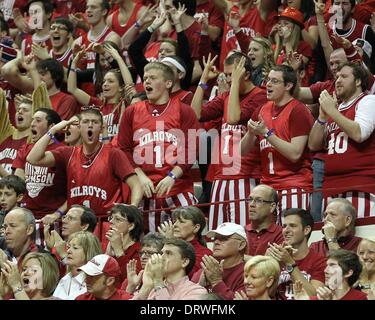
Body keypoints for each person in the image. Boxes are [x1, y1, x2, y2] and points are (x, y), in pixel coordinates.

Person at [118, 62, 199, 233]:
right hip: (146, 191)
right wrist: (139, 176)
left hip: (178, 187)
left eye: (153, 78)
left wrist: (172, 176)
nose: (147, 82)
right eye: (145, 78)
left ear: (168, 83)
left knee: (184, 243)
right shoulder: (131, 112)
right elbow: (124, 149)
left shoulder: (184, 111)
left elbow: (192, 149)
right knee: (149, 247)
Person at [192, 52, 267, 230]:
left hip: (245, 176)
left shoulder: (260, 97)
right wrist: (203, 80)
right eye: (225, 75)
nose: (226, 79)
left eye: (230, 74)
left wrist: (233, 85)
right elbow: (195, 114)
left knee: (242, 234)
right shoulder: (226, 97)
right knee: (217, 235)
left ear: (245, 74)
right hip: (220, 176)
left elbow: (234, 117)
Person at [26, 108, 143, 220]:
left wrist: (132, 207)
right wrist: (53, 130)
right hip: (76, 225)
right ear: (79, 127)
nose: (90, 125)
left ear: (101, 128)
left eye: (95, 122)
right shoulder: (67, 153)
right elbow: (33, 158)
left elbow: (136, 184)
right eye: (86, 122)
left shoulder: (114, 154)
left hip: (104, 223)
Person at [240, 64, 314, 222]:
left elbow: (295, 154)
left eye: (274, 81)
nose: (268, 84)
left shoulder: (298, 110)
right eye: (268, 80)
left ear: (288, 85)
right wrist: (251, 133)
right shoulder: (261, 110)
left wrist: (266, 133)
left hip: (293, 185)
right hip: (267, 187)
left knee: (290, 239)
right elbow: (241, 151)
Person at [308, 62, 375, 218]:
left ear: (358, 81)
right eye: (336, 77)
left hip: (360, 186)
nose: (337, 80)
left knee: (362, 240)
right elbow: (313, 145)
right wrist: (323, 116)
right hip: (331, 186)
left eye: (344, 76)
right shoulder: (335, 109)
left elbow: (359, 134)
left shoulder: (368, 101)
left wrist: (332, 110)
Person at [12, 108, 67, 225]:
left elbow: (72, 191)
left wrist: (57, 214)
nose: (32, 123)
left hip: (53, 218)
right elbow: (17, 186)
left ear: (52, 126)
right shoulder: (25, 149)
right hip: (26, 216)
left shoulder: (63, 151)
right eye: (32, 120)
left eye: (38, 120)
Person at [68, 43, 133, 136]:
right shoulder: (98, 104)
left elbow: (129, 84)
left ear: (121, 87)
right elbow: (72, 89)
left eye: (110, 81)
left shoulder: (126, 103)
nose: (105, 84)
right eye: (104, 81)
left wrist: (118, 58)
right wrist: (74, 62)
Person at [267, 208, 326, 300]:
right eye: (284, 226)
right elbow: (266, 294)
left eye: (293, 226)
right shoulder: (277, 257)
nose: (286, 230)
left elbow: (313, 296)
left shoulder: (319, 261)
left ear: (306, 230)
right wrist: (270, 264)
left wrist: (289, 263)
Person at [133, 238, 207, 300]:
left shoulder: (196, 291)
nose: (162, 257)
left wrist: (158, 281)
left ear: (184, 262)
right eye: (162, 253)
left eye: (168, 253)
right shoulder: (153, 289)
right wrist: (146, 287)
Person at [192, 222, 247, 300]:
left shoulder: (249, 273)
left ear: (241, 245)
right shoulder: (205, 270)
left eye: (224, 239)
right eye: (215, 239)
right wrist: (200, 285)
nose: (216, 242)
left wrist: (216, 282)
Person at [158, 206, 212, 277]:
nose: (175, 225)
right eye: (174, 221)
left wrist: (171, 242)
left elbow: (189, 275)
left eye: (181, 222)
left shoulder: (205, 254)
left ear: (196, 228)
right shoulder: (164, 247)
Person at [295, 249, 368, 300]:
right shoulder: (318, 298)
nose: (325, 270)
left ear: (348, 273)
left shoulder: (360, 298)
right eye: (326, 266)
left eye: (332, 265)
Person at [53, 231, 103, 300]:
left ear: (89, 252)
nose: (68, 251)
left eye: (75, 248)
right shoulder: (65, 279)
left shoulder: (93, 284)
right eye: (68, 247)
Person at [105, 204, 143, 283]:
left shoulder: (140, 251)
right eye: (111, 218)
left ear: (131, 226)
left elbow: (133, 281)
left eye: (118, 219)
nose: (111, 222)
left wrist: (119, 251)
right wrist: (107, 255)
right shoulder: (109, 245)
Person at [245, 184, 283, 256]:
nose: (251, 204)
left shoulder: (281, 234)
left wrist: (241, 257)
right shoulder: (241, 232)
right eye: (250, 200)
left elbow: (271, 265)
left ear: (272, 207)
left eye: (259, 201)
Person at [0, 91, 32, 177]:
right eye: (18, 110)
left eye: (25, 110)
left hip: (14, 189)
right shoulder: (6, 133)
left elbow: (18, 185)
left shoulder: (33, 140)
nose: (20, 112)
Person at [0, 175, 26, 242]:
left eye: (8, 194)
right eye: (0, 194)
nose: (2, 198)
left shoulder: (25, 219)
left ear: (19, 197)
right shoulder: (1, 215)